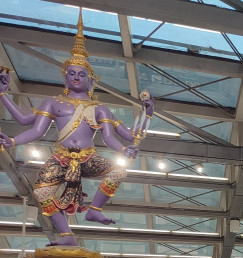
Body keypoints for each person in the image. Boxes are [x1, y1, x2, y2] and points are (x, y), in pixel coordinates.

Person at [0, 11, 154, 246]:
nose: (76, 77)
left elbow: (117, 136)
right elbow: (28, 124)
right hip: (61, 157)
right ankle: (66, 235)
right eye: (71, 73)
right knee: (41, 192)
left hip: (87, 157)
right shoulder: (53, 102)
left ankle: (95, 209)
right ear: (64, 78)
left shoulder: (99, 108)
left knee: (119, 171)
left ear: (91, 81)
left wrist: (145, 116)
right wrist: (4, 99)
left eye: (82, 74)